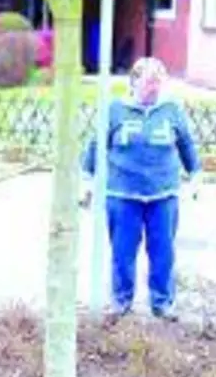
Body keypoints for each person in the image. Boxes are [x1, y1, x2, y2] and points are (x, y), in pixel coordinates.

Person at [81, 57, 202, 323]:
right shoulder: (114, 110)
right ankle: (121, 301)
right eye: (149, 82)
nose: (154, 88)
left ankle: (162, 303)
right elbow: (95, 145)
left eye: (159, 82)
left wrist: (195, 175)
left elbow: (186, 144)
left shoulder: (171, 110)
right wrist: (87, 181)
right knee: (122, 252)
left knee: (163, 251)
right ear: (135, 82)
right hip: (123, 194)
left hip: (163, 195)